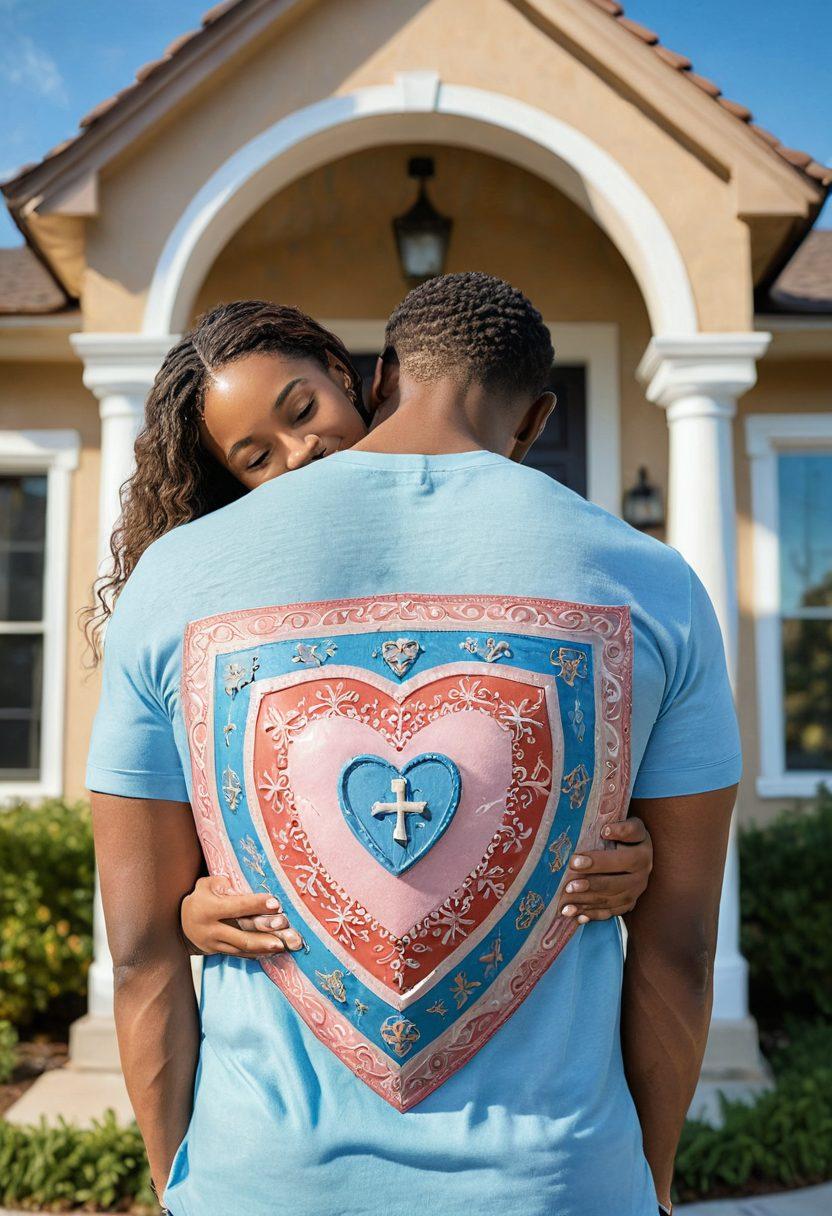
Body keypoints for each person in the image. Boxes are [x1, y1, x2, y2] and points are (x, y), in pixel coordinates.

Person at [86, 274, 739, 1216]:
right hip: (557, 1182)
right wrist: (652, 1182)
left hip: (263, 1180)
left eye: (302, 411)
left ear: (376, 375)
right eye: (257, 454)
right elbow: (681, 948)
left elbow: (138, 954)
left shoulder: (175, 577)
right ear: (537, 418)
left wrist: (176, 1183)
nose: (301, 452)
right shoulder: (653, 581)